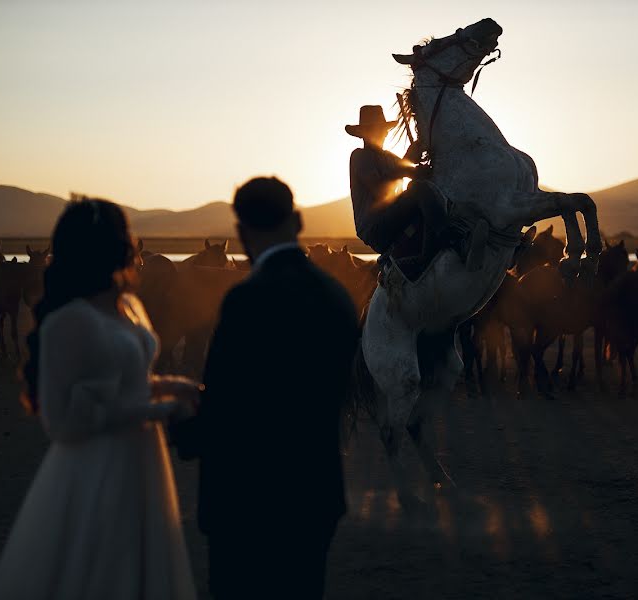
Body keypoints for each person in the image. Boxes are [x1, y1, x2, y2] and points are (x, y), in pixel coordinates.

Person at [0, 198, 197, 600]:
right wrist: (160, 410)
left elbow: (128, 381)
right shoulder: (68, 320)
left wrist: (174, 385)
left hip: (144, 459)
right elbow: (63, 423)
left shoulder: (129, 306)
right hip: (96, 466)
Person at [169, 177, 360, 598]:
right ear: (297, 220)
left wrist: (181, 427)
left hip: (247, 504)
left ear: (240, 234)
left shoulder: (246, 300)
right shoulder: (337, 297)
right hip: (314, 494)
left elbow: (224, 409)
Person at [347, 104, 448, 255]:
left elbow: (413, 172)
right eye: (378, 129)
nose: (384, 134)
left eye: (384, 130)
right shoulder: (360, 156)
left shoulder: (388, 157)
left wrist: (426, 161)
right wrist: (407, 160)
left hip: (393, 219)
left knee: (424, 188)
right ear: (364, 133)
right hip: (375, 228)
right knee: (418, 189)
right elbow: (381, 191)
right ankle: (451, 239)